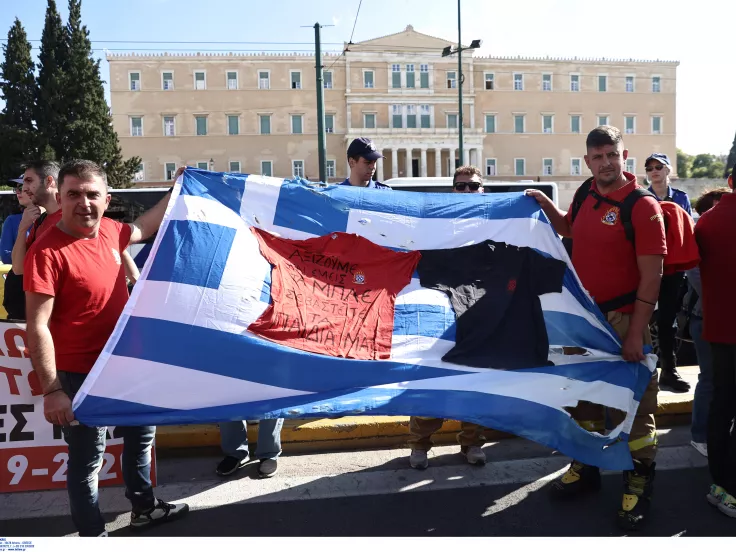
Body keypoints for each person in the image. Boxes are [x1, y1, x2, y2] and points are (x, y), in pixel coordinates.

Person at [24, 160, 189, 536]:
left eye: (92, 194)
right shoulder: (46, 252)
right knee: (87, 461)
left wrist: (177, 188)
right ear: (60, 199)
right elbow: (37, 326)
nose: (83, 202)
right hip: (79, 374)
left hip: (126, 364)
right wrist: (53, 389)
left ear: (107, 198)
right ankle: (92, 535)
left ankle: (144, 508)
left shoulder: (111, 231)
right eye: (74, 194)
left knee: (140, 439)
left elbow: (145, 226)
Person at [526, 126, 666, 531]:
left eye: (612, 155)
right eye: (598, 156)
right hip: (582, 321)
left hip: (624, 321)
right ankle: (585, 466)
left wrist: (636, 333)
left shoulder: (642, 206)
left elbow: (652, 280)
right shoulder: (587, 191)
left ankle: (638, 481)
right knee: (582, 402)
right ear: (587, 161)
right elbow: (570, 229)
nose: (605, 163)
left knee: (635, 409)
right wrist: (543, 205)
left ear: (625, 157)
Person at [407, 166, 488, 470]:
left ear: (483, 190)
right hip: (441, 312)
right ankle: (419, 444)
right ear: (453, 190)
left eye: (473, 186)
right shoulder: (438, 225)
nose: (467, 191)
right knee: (430, 379)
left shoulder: (499, 225)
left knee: (475, 382)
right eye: (461, 186)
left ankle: (472, 442)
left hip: (480, 314)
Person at [694, 169, 736, 519]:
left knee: (722, 405)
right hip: (722, 327)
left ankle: (721, 483)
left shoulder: (706, 222)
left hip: (721, 329)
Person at [686, 187, 730, 457]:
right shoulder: (698, 233)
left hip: (718, 317)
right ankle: (699, 435)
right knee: (710, 379)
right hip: (705, 318)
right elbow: (695, 275)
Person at [645, 153, 691, 392]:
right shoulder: (640, 198)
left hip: (673, 269)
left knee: (668, 320)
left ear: (668, 170)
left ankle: (669, 370)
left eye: (658, 167)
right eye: (650, 167)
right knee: (640, 318)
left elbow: (688, 232)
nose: (654, 171)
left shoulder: (682, 198)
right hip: (645, 267)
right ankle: (645, 371)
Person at [12, 160, 62, 278]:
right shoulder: (41, 221)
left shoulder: (73, 219)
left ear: (49, 181)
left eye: (29, 181)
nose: (24, 189)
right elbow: (18, 269)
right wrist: (22, 228)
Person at [1, 176, 32, 319]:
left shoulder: (54, 218)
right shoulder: (12, 221)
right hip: (19, 286)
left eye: (21, 187)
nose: (18, 192)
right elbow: (6, 256)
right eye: (16, 189)